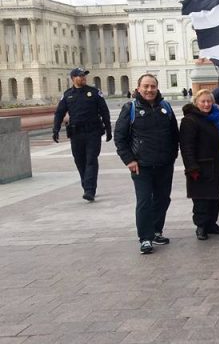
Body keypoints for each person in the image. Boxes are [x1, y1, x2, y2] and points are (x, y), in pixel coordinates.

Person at [114, 73, 179, 255]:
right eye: (146, 86)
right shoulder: (130, 108)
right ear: (138, 88)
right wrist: (129, 160)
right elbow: (120, 137)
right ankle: (145, 238)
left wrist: (172, 155)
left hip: (164, 163)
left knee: (163, 199)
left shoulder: (165, 107)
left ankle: (156, 231)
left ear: (157, 88)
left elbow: (174, 134)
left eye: (153, 86)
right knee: (144, 201)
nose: (149, 90)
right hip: (141, 165)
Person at [52, 68, 112, 202]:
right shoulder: (67, 95)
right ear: (73, 78)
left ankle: (90, 190)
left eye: (84, 75)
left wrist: (108, 129)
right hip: (76, 133)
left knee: (91, 159)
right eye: (80, 76)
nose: (84, 77)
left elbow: (104, 111)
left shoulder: (94, 92)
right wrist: (56, 129)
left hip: (93, 132)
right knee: (79, 160)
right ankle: (86, 186)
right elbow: (59, 113)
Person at [180, 90, 219, 240]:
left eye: (209, 101)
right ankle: (201, 226)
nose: (206, 104)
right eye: (203, 101)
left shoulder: (214, 118)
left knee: (215, 197)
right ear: (196, 102)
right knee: (201, 198)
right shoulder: (190, 120)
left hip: (217, 164)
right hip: (201, 167)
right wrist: (191, 167)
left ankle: (211, 224)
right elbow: (186, 146)